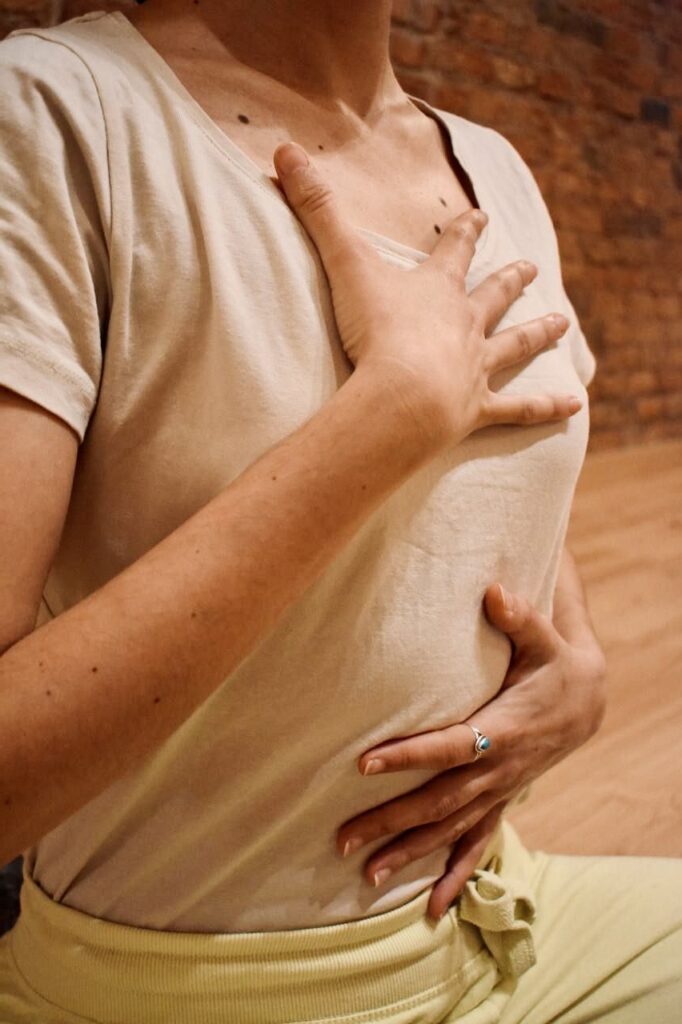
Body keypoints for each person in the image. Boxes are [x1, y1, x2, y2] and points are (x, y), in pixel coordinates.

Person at [0, 1, 680, 1021]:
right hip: (193, 992)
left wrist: (576, 668)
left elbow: (506, 473)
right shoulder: (50, 112)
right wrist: (389, 416)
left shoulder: (492, 166)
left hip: (497, 921)